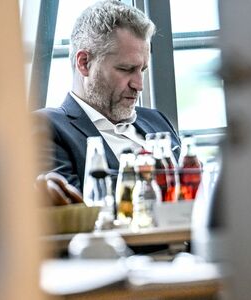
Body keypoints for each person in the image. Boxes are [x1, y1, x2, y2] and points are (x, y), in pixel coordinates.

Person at [35, 0, 181, 192]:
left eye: (142, 70)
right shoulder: (46, 127)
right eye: (126, 69)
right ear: (84, 63)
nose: (139, 85)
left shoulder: (157, 121)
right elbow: (76, 211)